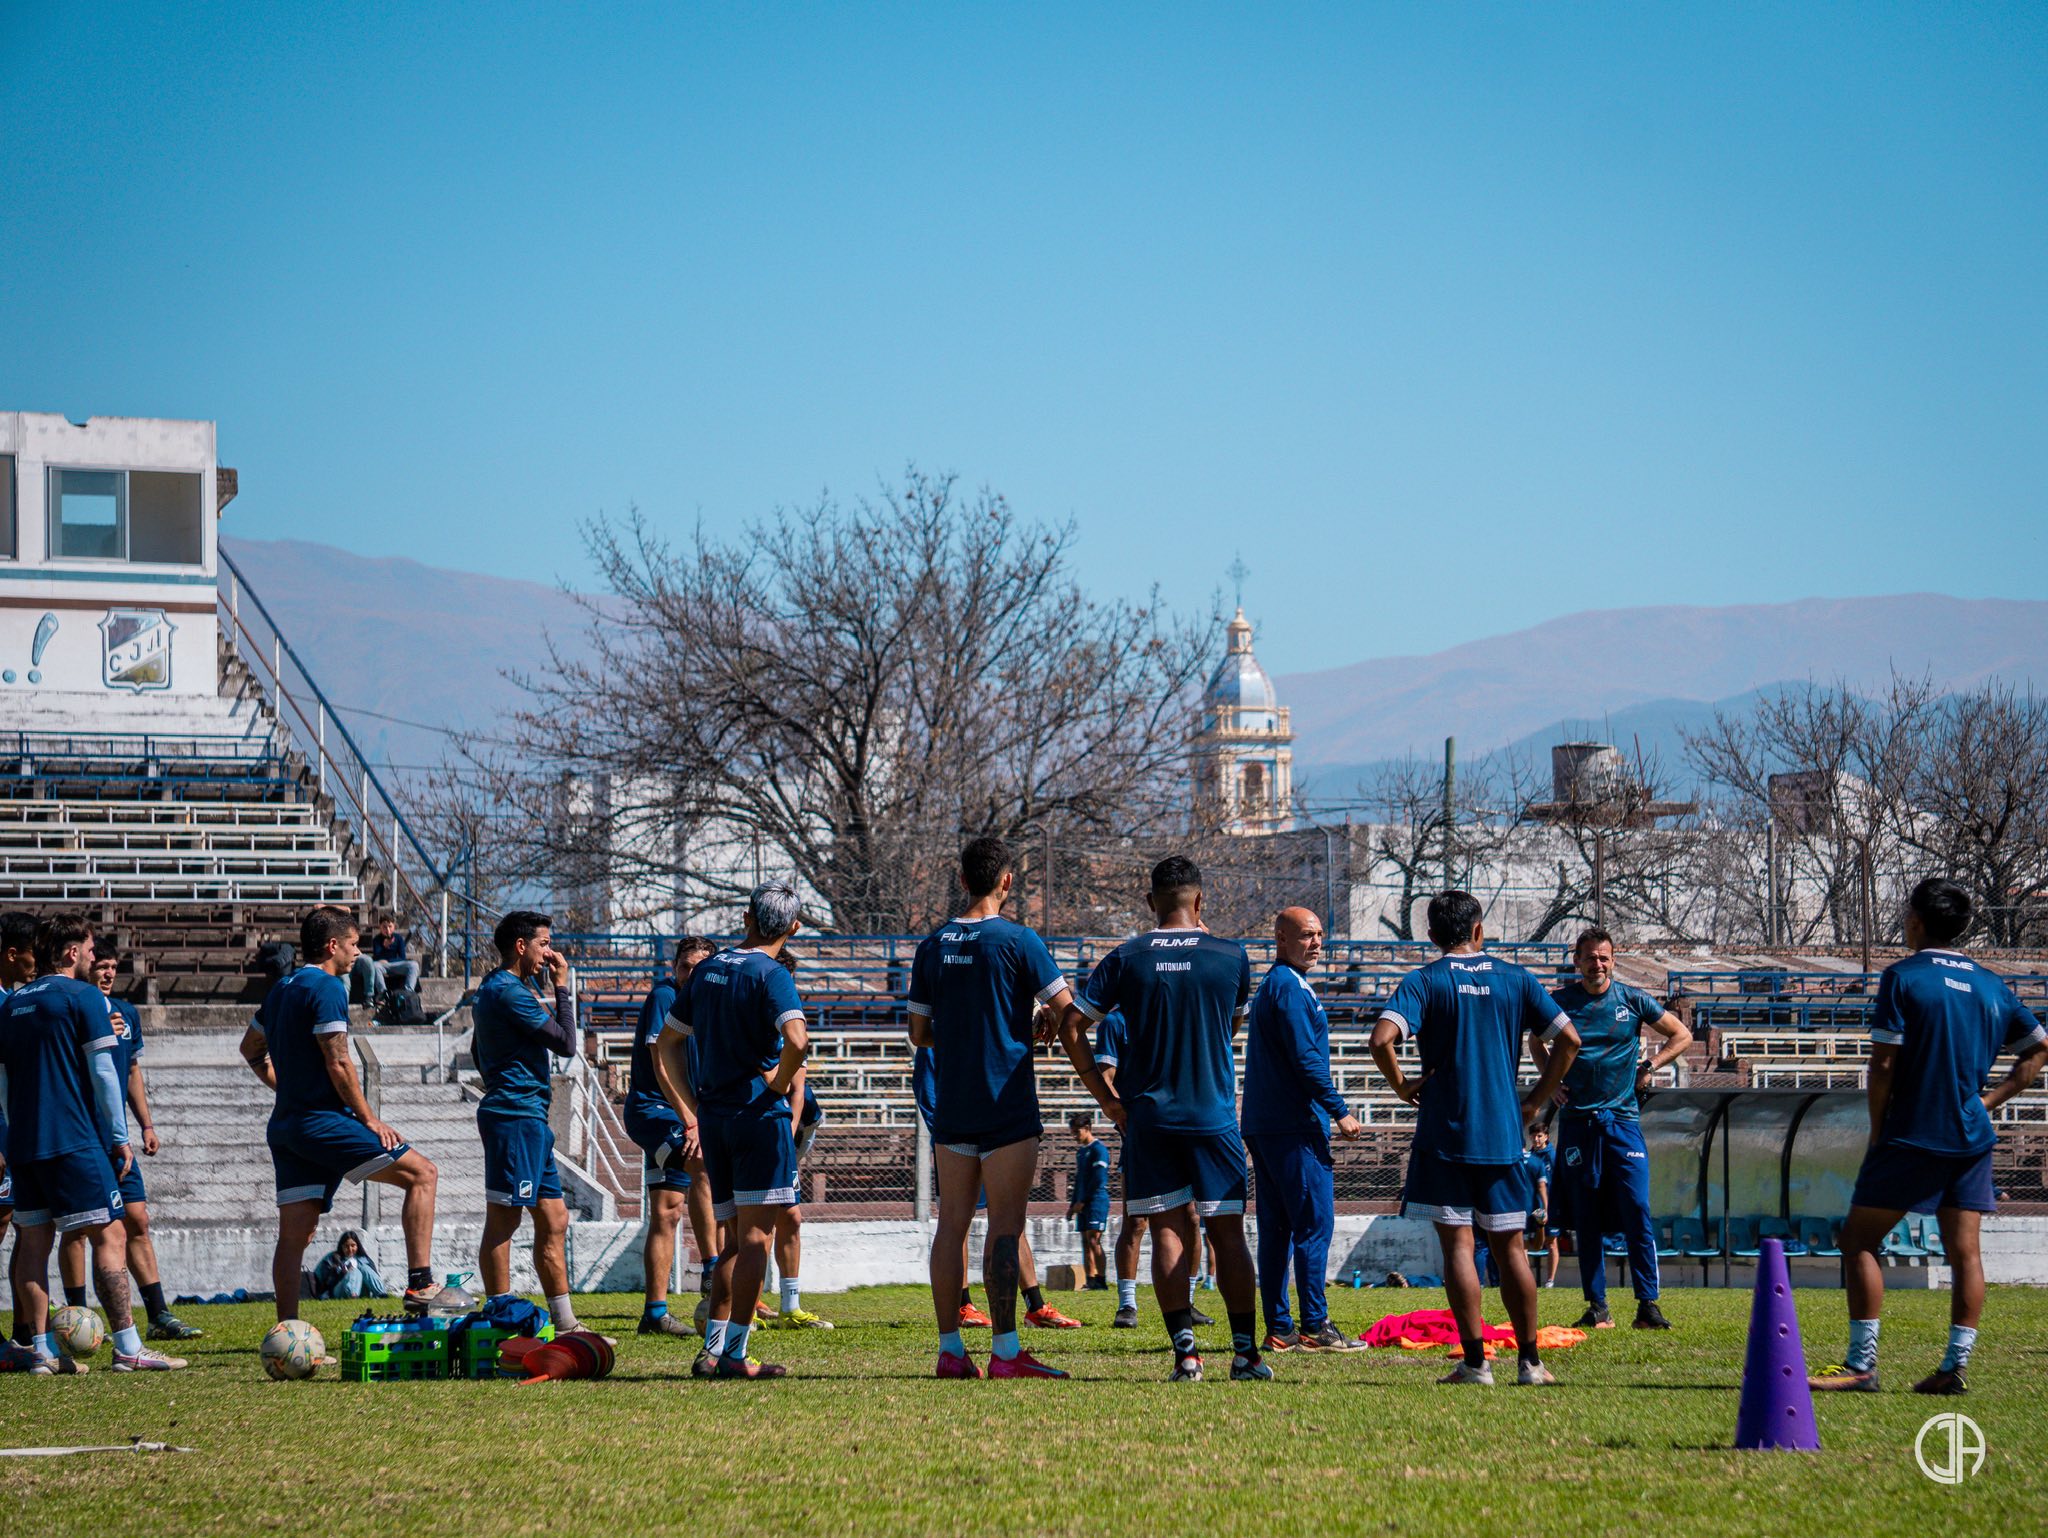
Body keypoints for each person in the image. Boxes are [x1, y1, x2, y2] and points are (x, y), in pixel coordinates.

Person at [1810, 877, 2048, 1395]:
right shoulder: (1992, 985)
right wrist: (1987, 1102)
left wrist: (1878, 1129)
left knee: (1858, 1241)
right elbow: (2038, 1048)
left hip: (1914, 1131)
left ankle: (1861, 1366)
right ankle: (1954, 1368)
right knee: (1966, 1253)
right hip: (1971, 1136)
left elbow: (1883, 1064)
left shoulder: (1903, 976)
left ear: (1916, 921)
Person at [1059, 855, 1269, 1383]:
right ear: (1200, 900)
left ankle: (1186, 1357)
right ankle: (1245, 1356)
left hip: (1149, 1120)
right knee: (1228, 1235)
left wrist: (1107, 1100)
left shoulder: (1127, 956)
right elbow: (1229, 1028)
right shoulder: (1231, 955)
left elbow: (1071, 1025)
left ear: (1150, 902)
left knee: (1167, 1233)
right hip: (1213, 1116)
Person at [1369, 891, 1580, 1387]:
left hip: (1445, 1134)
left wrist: (1402, 1086)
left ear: (1432, 936)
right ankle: (1531, 1364)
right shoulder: (1515, 978)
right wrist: (1535, 1100)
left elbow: (1380, 1039)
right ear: (1479, 930)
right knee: (1511, 1249)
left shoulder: (1425, 980)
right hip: (1502, 1134)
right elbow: (1569, 1039)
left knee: (1459, 1249)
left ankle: (1476, 1364)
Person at [239, 905, 466, 1322]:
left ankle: (287, 1332)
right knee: (423, 1174)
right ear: (332, 946)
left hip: (287, 1125)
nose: (358, 952)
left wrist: (285, 1089)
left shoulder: (282, 989)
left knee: (295, 1236)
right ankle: (420, 1284)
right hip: (323, 1122)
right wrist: (369, 1119)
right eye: (353, 944)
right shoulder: (328, 988)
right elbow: (339, 1060)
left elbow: (251, 1049)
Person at [908, 837, 1079, 1380]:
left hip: (953, 1105)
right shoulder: (1019, 939)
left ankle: (950, 1351)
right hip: (1006, 1104)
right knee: (1005, 1228)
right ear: (1006, 881)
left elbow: (919, 1033)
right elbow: (1068, 1010)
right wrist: (1040, 1020)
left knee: (950, 1227)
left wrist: (963, 1030)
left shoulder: (932, 946)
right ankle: (1005, 1352)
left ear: (962, 881)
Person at [0, 914, 184, 1372]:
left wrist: (15, 1126)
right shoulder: (82, 997)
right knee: (110, 1232)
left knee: (34, 1243)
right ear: (71, 953)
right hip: (74, 1139)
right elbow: (105, 1072)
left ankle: (40, 1352)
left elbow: (1, 1080)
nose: (92, 956)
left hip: (24, 1142)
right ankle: (128, 1347)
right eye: (87, 950)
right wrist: (120, 1138)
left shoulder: (12, 1003)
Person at [655, 881, 810, 1380]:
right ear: (793, 928)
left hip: (716, 1120)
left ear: (746, 918)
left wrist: (691, 1107)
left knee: (731, 1244)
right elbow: (798, 1040)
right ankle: (736, 1355)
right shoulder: (772, 973)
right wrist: (779, 1085)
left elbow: (666, 1044)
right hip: (757, 1119)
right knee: (757, 1239)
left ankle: (712, 1350)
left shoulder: (708, 969)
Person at [1539, 928, 1692, 1330]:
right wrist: (1551, 1082)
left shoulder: (1632, 999)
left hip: (1622, 1122)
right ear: (1577, 961)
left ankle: (1648, 1305)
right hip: (1578, 1124)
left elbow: (1682, 1034)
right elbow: (1536, 1041)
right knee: (1586, 1215)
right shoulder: (1560, 1002)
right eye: (1590, 957)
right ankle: (1598, 1307)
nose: (1597, 964)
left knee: (1637, 1208)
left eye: (1604, 957)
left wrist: (1649, 1066)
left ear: (1613, 961)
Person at [55, 952, 202, 1342]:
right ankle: (79, 1319)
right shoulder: (70, 1010)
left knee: (138, 1220)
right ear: (84, 966)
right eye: (101, 966)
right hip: (80, 1134)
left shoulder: (126, 1013)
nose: (108, 974)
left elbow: (132, 1070)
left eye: (113, 968)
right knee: (78, 1228)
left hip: (116, 1139)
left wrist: (146, 1125)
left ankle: (158, 1314)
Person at [1242, 907, 1364, 1353]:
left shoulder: (1277, 984)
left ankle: (1280, 1327)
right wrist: (1339, 1110)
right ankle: (1315, 1324)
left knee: (1276, 1230)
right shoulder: (1289, 987)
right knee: (1313, 1224)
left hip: (1266, 1124)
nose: (1316, 943)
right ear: (1280, 938)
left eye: (1319, 935)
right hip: (1294, 1125)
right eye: (1307, 935)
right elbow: (1305, 1058)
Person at [911, 1042, 1079, 1335]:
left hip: (994, 1135)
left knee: (1010, 1219)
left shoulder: (984, 1035)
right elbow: (926, 1089)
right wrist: (947, 1133)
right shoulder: (940, 1035)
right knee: (957, 1219)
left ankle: (1035, 1305)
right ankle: (963, 1305)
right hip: (957, 1139)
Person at [471, 910, 587, 1333]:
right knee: (505, 1218)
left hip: (529, 1117)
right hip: (515, 1117)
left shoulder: (494, 987)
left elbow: (478, 1050)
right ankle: (500, 1314)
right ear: (521, 946)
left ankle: (566, 1323)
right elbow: (567, 1043)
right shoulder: (507, 991)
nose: (550, 953)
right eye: (544, 944)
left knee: (555, 1218)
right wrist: (562, 987)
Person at [624, 936, 719, 1336]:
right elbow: (661, 1063)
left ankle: (654, 1314)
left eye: (699, 968)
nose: (690, 974)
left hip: (684, 1114)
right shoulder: (665, 997)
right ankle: (714, 1270)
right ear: (674, 967)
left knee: (667, 1211)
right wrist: (692, 1121)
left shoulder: (710, 1005)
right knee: (702, 1163)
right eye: (685, 967)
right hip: (655, 1111)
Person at [764, 947, 831, 1331]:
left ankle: (790, 1306)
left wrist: (784, 1144)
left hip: (787, 1129)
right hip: (744, 1124)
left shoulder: (791, 1021)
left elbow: (797, 1093)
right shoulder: (744, 1016)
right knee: (748, 1219)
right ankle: (744, 1303)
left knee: (789, 1214)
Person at [0, 910, 35, 1348]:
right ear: (12, 954)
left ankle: (22, 1333)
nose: (37, 965)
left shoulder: (13, 999)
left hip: (17, 1130)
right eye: (32, 956)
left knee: (25, 1227)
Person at [1067, 1111, 1110, 1289]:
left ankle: (1101, 1280)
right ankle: (1090, 1280)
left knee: (1094, 1240)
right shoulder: (1081, 1152)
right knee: (1085, 1241)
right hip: (1082, 1203)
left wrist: (1083, 1201)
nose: (1075, 1136)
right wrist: (1072, 1206)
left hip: (1096, 1201)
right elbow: (1079, 1181)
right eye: (1073, 1133)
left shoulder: (1099, 1149)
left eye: (1077, 1132)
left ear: (1087, 1128)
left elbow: (1098, 1179)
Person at [312, 1230, 393, 1299]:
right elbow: (324, 1282)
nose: (350, 1249)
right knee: (354, 1271)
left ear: (357, 1246)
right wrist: (342, 1274)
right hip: (338, 1291)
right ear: (341, 1246)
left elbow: (373, 1276)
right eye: (346, 1246)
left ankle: (381, 1294)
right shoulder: (332, 1258)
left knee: (364, 1268)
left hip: (362, 1291)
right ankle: (352, 1295)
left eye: (353, 1245)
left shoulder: (364, 1259)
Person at [1525, 1126, 1559, 1289]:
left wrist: (1551, 1206)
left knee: (1551, 1241)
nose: (1536, 1139)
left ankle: (1550, 1281)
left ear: (1546, 1137)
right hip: (1531, 1206)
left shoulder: (1552, 1156)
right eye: (1533, 1136)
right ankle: (1528, 1280)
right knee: (1525, 1243)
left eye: (1539, 1136)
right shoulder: (1528, 1157)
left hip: (1549, 1206)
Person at [371, 916, 420, 996]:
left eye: (390, 926)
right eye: (384, 927)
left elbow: (402, 957)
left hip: (396, 964)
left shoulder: (398, 938)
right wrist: (384, 947)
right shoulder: (377, 939)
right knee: (375, 966)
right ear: (380, 927)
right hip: (383, 966)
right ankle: (383, 993)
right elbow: (376, 957)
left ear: (394, 926)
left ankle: (408, 992)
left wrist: (389, 961)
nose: (387, 930)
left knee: (414, 965)